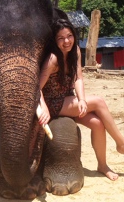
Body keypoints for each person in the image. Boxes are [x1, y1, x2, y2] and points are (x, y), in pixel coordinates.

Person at [38, 19, 124, 181]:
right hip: (53, 102)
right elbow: (37, 87)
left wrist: (82, 99)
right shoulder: (52, 60)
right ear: (54, 41)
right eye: (61, 38)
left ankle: (102, 165)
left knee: (98, 124)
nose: (66, 41)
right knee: (98, 101)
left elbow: (78, 77)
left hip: (68, 99)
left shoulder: (75, 51)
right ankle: (121, 143)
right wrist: (42, 106)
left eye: (69, 36)